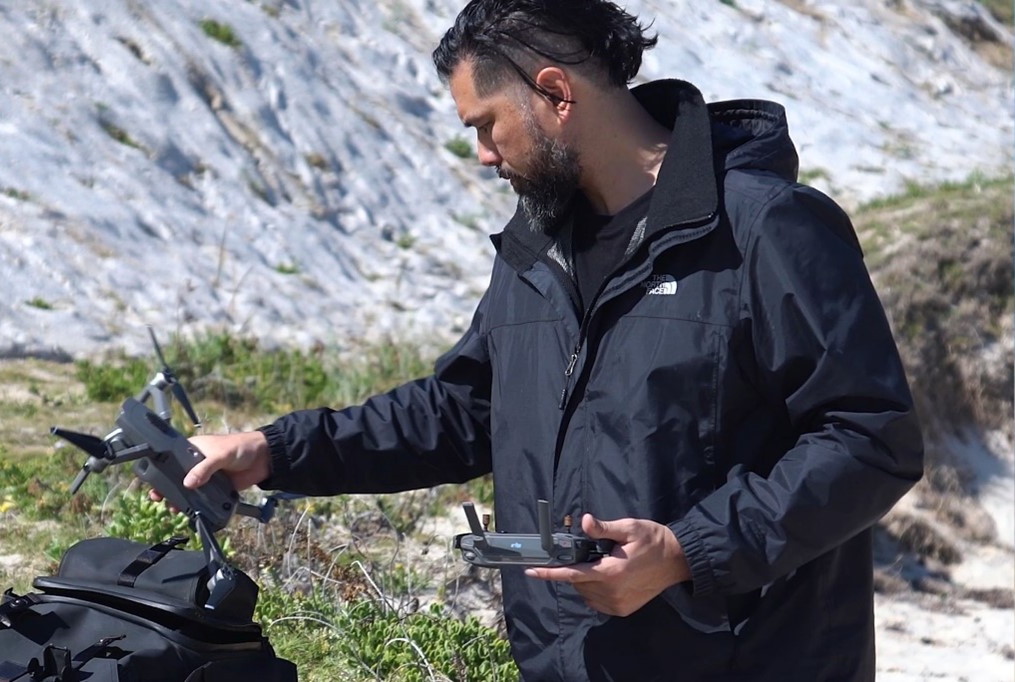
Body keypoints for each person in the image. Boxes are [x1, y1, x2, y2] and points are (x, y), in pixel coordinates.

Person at [171, 1, 924, 679]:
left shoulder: (767, 227)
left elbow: (867, 437)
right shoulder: (538, 250)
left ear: (555, 93)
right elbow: (461, 413)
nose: (483, 155)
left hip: (751, 661)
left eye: (486, 124)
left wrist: (686, 553)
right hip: (569, 661)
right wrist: (273, 451)